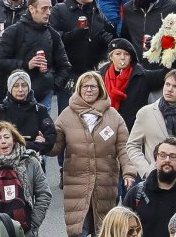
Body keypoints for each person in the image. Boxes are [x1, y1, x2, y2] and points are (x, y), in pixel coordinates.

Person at [50, 72, 137, 237]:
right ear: (79, 89)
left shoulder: (113, 116)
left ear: (100, 89)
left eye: (93, 86)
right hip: (76, 186)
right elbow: (56, 147)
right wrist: (45, 140)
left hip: (105, 185)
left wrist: (129, 172)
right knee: (78, 231)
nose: (89, 90)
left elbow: (124, 148)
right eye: (85, 86)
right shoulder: (66, 115)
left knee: (104, 231)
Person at [0, 0, 72, 109]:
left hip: (44, 96)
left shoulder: (53, 34)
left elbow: (65, 66)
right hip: (15, 94)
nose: (48, 13)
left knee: (41, 127)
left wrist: (53, 86)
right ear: (31, 9)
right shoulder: (14, 31)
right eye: (44, 8)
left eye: (50, 8)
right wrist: (26, 64)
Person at [126, 69, 176, 182]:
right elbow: (132, 145)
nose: (169, 89)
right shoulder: (146, 113)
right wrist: (146, 171)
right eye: (167, 84)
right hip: (155, 179)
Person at [0, 120, 51, 236]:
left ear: (14, 139)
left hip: (26, 230)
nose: (3, 141)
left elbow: (44, 193)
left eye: (7, 137)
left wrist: (34, 224)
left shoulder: (30, 161)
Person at [98, 38, 158, 130]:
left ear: (131, 58)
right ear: (111, 57)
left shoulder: (142, 76)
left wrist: (164, 51)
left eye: (126, 54)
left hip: (133, 131)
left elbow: (167, 73)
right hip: (105, 128)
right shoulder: (98, 77)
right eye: (118, 54)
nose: (122, 57)